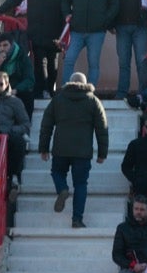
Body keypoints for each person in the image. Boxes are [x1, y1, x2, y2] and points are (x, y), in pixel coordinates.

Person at [38, 72, 110, 227]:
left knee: (57, 172)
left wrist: (43, 148)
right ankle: (77, 219)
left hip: (60, 149)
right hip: (83, 152)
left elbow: (46, 126)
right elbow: (102, 129)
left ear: (69, 82)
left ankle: (62, 189)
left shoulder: (58, 100)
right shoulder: (93, 101)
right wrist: (102, 153)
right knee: (81, 184)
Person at [0, 0, 71, 94]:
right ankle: (40, 92)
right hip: (36, 31)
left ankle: (50, 92)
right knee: (40, 63)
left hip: (55, 33)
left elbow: (68, 6)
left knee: (53, 65)